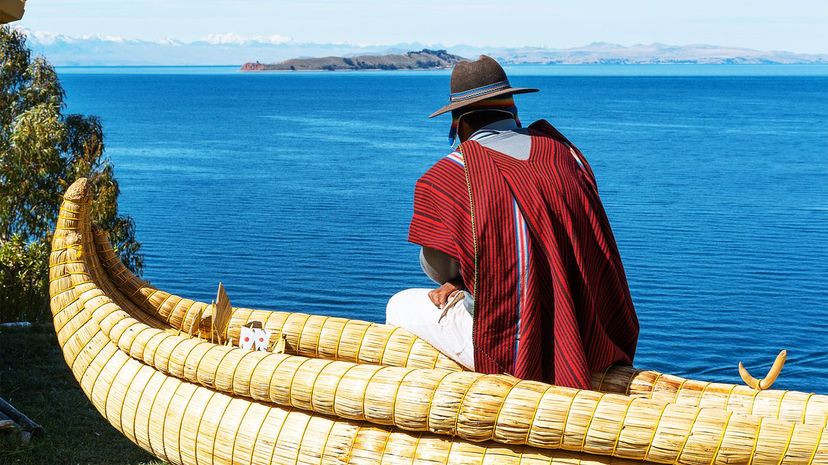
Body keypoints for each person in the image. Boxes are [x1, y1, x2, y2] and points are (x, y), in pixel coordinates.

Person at [386, 55, 639, 389]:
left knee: (399, 305)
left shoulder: (448, 176)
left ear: (458, 123)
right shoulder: (565, 154)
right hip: (586, 329)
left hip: (511, 346)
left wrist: (461, 280)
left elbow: (439, 267)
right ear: (514, 110)